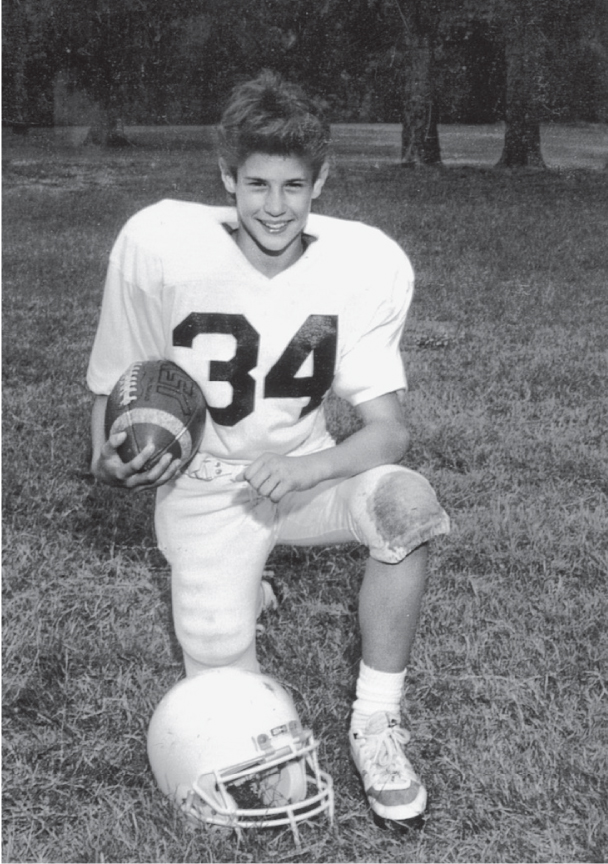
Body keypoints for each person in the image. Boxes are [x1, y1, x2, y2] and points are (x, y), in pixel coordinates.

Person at [87, 71, 450, 828]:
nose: (275, 206)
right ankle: (235, 580)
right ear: (228, 178)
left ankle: (377, 722)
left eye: (294, 185)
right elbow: (115, 381)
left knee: (405, 504)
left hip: (302, 477)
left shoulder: (361, 262)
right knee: (236, 730)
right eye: (256, 184)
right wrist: (107, 456)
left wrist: (309, 466)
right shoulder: (161, 245)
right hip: (206, 487)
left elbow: (390, 431)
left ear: (323, 179)